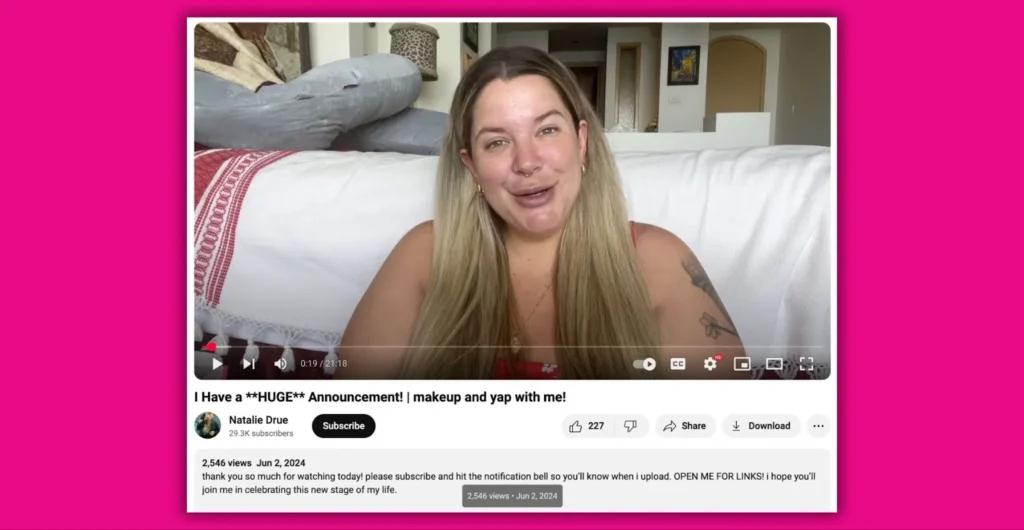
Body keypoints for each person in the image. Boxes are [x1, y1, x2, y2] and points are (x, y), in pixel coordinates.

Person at [338, 46, 745, 379]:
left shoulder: (659, 260)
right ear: (471, 165)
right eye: (497, 142)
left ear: (582, 142)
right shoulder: (425, 253)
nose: (527, 162)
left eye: (547, 130)